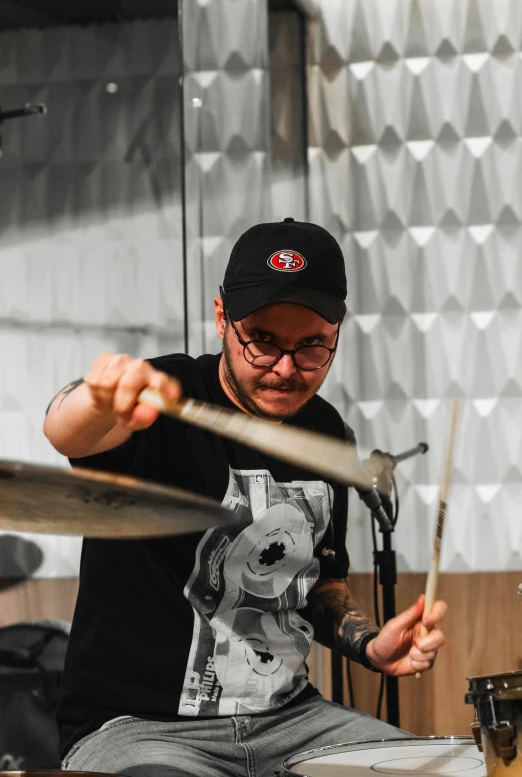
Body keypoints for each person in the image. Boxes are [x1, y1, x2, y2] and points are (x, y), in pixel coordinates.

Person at [44, 218, 446, 777]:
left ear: (338, 330)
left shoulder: (326, 434)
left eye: (311, 346)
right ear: (221, 320)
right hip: (142, 728)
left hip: (291, 720)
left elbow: (321, 585)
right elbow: (67, 433)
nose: (285, 368)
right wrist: (98, 396)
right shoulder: (165, 397)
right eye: (262, 341)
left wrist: (371, 645)